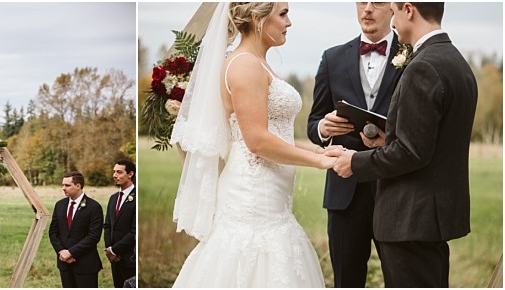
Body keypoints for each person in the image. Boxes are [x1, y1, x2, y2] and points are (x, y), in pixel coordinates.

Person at [169, 2, 338, 287]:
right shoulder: (244, 64)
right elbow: (257, 140)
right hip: (252, 198)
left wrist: (320, 150)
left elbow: (276, 132)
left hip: (272, 199)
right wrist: (319, 161)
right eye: (283, 14)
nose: (289, 22)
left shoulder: (257, 62)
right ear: (259, 19)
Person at [328, 3, 477, 287]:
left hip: (410, 220)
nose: (393, 20)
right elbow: (431, 142)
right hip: (430, 220)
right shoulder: (456, 61)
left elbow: (409, 153)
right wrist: (390, 140)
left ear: (409, 10)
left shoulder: (423, 67)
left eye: (394, 9)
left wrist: (354, 162)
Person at [306, 2, 397, 287]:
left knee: (401, 279)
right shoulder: (332, 58)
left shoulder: (414, 56)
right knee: (346, 281)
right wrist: (323, 127)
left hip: (395, 190)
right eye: (362, 2)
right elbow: (313, 124)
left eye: (378, 2)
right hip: (344, 194)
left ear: (394, 7)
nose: (367, 9)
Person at [48, 172, 104, 287]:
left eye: (67, 185)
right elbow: (53, 232)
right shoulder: (60, 205)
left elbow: (93, 236)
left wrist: (71, 252)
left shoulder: (94, 207)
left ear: (78, 186)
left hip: (85, 265)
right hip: (64, 264)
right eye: (63, 185)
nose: (63, 188)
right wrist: (62, 252)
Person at [103, 159, 136, 287]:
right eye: (114, 172)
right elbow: (107, 226)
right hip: (115, 259)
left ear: (130, 174)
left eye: (119, 172)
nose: (114, 175)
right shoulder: (113, 198)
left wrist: (116, 250)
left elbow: (134, 231)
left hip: (130, 257)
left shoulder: (136, 197)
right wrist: (109, 250)